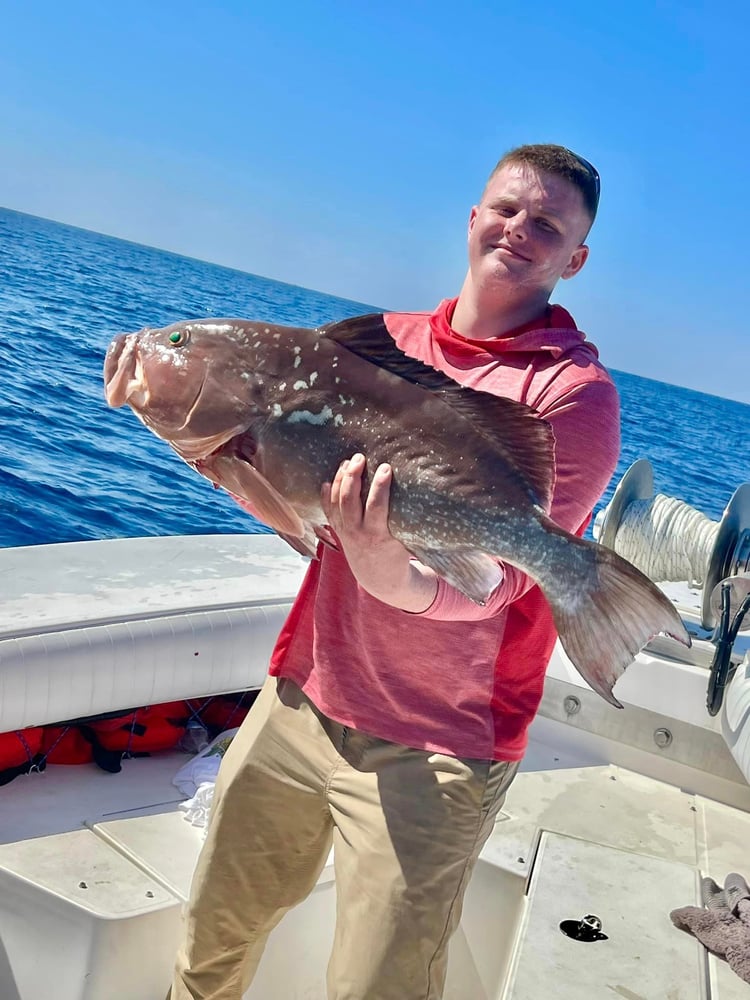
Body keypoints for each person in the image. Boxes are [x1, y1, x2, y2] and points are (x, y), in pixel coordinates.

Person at [168, 143, 621, 1000]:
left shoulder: (576, 394)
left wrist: (393, 571)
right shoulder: (379, 344)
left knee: (380, 988)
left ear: (577, 258)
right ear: (474, 216)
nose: (519, 231)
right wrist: (225, 457)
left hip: (440, 748)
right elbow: (301, 515)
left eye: (549, 224)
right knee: (208, 950)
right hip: (302, 696)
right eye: (507, 208)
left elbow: (507, 580)